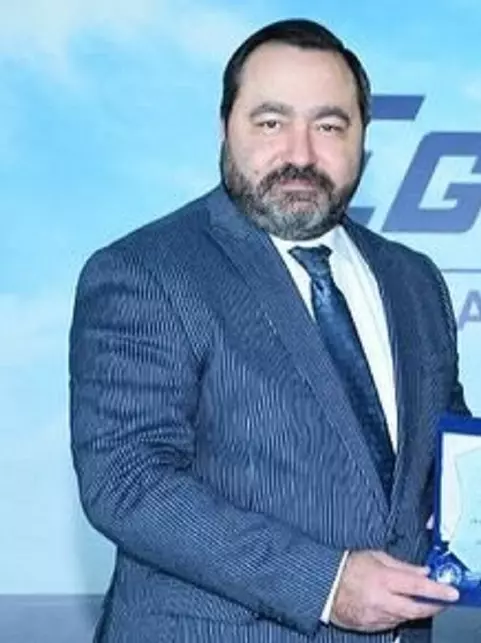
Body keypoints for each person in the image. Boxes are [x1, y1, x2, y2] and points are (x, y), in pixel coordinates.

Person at [69, 18, 469, 643]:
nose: (301, 155)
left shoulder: (413, 280)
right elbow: (128, 481)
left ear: (363, 137)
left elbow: (446, 457)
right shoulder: (145, 271)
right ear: (224, 127)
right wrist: (327, 584)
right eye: (271, 122)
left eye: (329, 126)